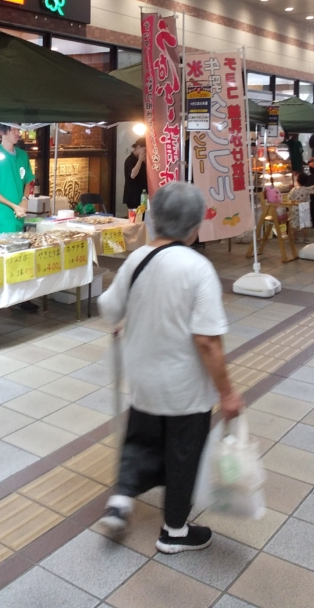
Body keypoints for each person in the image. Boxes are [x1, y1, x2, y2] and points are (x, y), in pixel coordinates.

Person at [98, 182, 244, 552]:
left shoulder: (137, 259)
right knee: (182, 455)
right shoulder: (198, 269)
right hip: (185, 389)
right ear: (195, 227)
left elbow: (109, 309)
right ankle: (174, 532)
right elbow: (207, 340)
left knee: (141, 439)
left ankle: (121, 502)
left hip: (144, 380)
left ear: (154, 219)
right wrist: (227, 392)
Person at [0, 123, 36, 312]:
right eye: (13, 129)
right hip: (0, 216)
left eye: (18, 129)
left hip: (18, 216)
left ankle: (20, 298)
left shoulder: (22, 155)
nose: (18, 133)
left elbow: (28, 180)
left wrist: (25, 200)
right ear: (2, 132)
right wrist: (13, 205)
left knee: (18, 257)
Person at [123, 138, 147, 210]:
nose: (145, 153)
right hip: (133, 196)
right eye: (144, 150)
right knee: (134, 219)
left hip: (143, 194)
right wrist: (140, 161)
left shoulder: (143, 160)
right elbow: (132, 175)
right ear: (138, 147)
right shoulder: (129, 160)